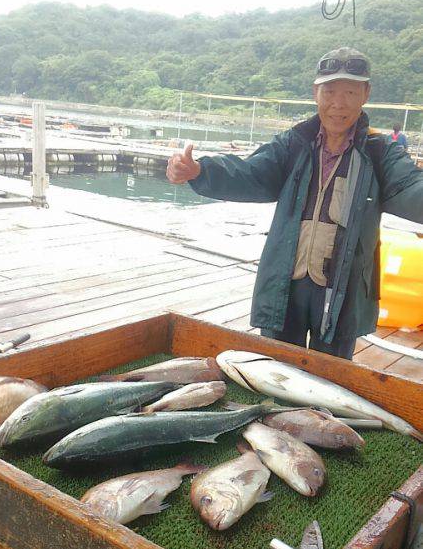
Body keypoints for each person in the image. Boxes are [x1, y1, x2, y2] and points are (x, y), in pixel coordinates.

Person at [166, 47, 423, 360]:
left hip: (343, 289)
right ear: (316, 93)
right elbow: (251, 173)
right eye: (330, 91)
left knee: (331, 373)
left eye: (350, 92)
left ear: (365, 94)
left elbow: (410, 187)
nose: (338, 103)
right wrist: (200, 171)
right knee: (278, 366)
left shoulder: (380, 152)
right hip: (286, 282)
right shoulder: (294, 143)